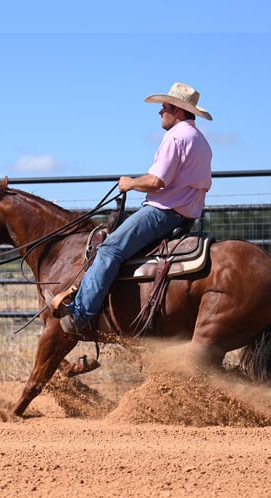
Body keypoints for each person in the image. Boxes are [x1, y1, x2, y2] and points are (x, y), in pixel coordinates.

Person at [59, 82, 213, 335]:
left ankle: (81, 313)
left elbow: (156, 181)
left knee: (109, 249)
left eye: (164, 107)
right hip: (186, 216)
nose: (160, 111)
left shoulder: (175, 137)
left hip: (163, 212)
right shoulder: (200, 140)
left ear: (178, 110)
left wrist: (129, 183)